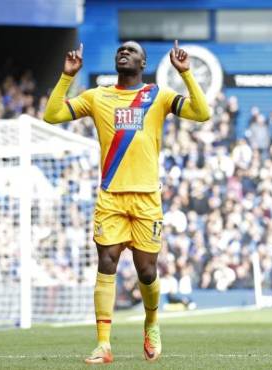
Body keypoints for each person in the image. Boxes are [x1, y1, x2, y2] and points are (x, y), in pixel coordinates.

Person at [44, 40, 210, 364]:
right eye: (120, 49)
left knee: (146, 271)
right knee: (106, 261)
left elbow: (202, 113)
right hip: (111, 197)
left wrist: (187, 73)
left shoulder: (157, 96)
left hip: (147, 197)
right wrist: (66, 77)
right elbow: (51, 115)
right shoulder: (98, 95)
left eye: (132, 50)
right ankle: (103, 345)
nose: (123, 52)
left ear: (143, 62)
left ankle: (151, 322)